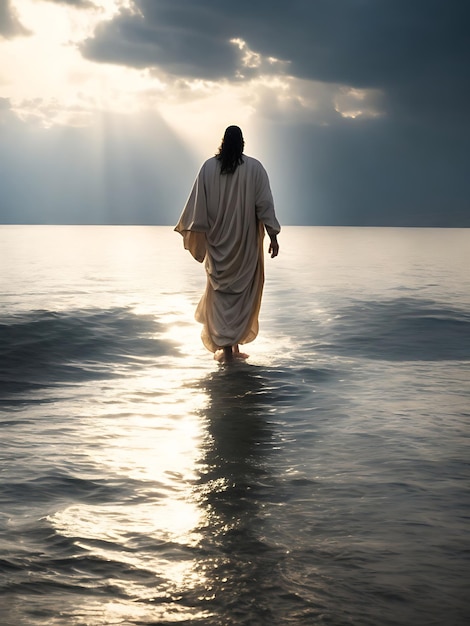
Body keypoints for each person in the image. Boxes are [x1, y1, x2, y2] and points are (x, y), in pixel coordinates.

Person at [174, 125, 280, 362]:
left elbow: (197, 207)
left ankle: (227, 349)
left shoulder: (208, 168)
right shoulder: (255, 168)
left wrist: (199, 236)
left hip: (218, 245)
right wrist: (273, 236)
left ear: (223, 142)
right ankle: (231, 349)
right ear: (242, 143)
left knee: (221, 297)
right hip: (244, 247)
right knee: (241, 297)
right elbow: (265, 205)